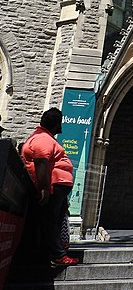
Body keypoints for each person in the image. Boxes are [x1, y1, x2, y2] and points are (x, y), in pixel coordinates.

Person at [21, 108, 79, 267]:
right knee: (50, 220)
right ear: (55, 124)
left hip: (57, 186)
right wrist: (45, 188)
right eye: (59, 123)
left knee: (54, 219)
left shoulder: (44, 138)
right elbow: (41, 162)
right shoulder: (42, 139)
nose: (61, 127)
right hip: (53, 186)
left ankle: (54, 252)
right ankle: (57, 256)